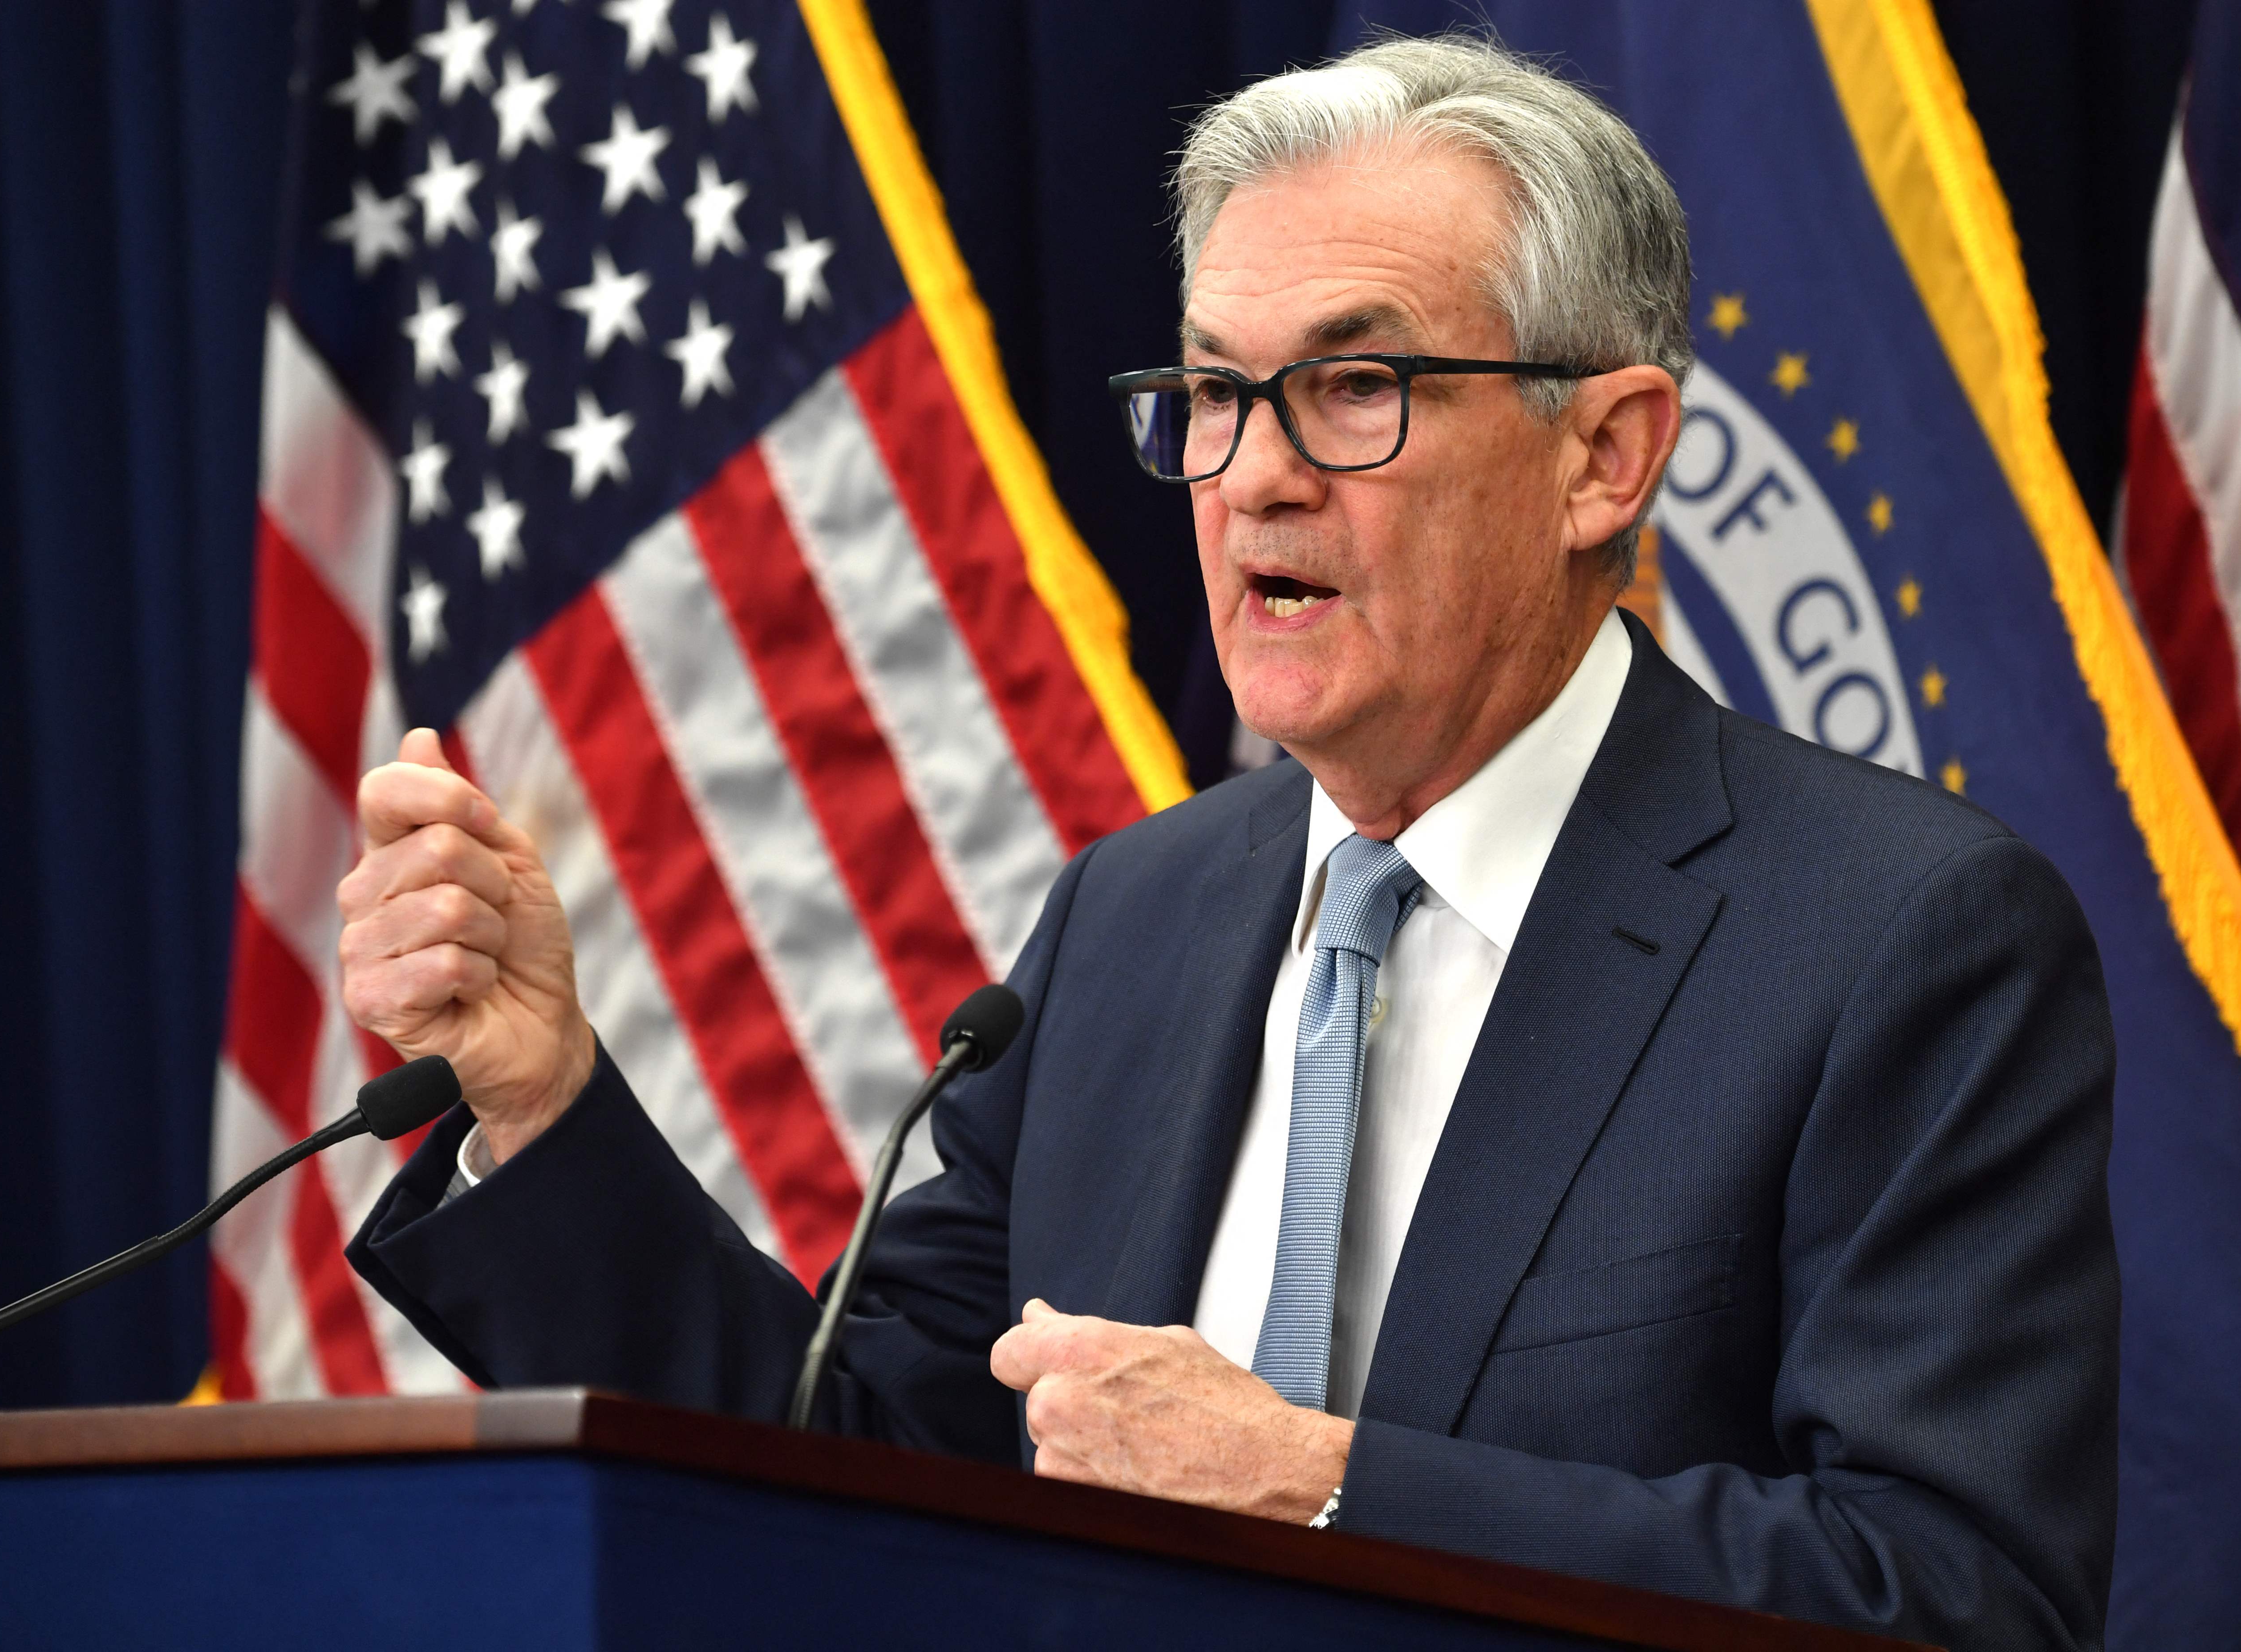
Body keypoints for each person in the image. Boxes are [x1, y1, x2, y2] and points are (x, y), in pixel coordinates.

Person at [339, 36, 2116, 1649]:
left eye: (1356, 387)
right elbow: (852, 1459)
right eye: (1212, 393)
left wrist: (1330, 1488)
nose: (1254, 474)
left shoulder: (1897, 939)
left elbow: (1953, 1595)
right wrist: (544, 1100)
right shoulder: (1139, 915)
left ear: (1608, 458)